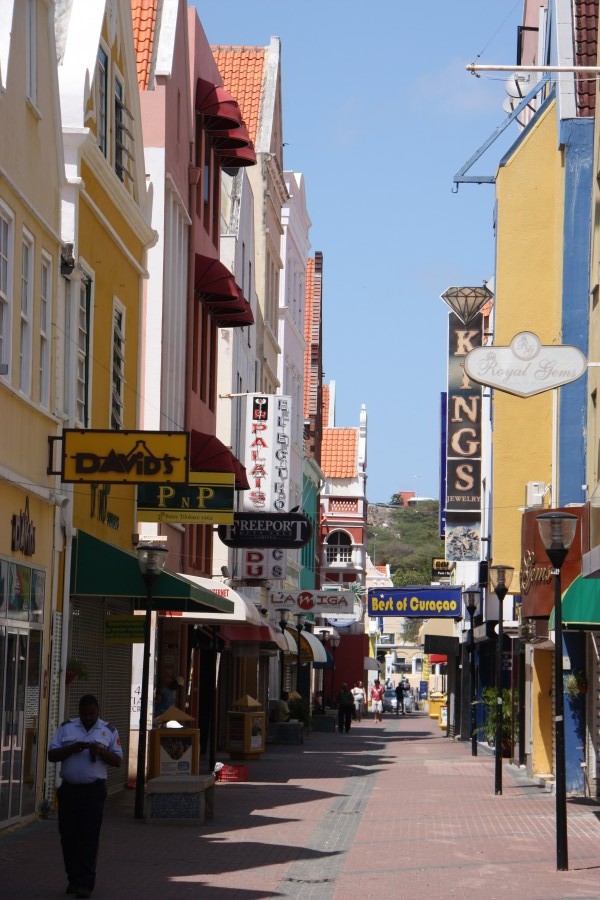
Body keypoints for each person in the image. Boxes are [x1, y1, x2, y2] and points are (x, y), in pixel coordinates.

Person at [48, 694, 122, 899]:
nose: (88, 718)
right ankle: (73, 879)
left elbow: (117, 761)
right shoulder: (67, 728)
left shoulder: (108, 731)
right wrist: (73, 748)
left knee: (88, 838)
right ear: (79, 713)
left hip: (93, 792)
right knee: (68, 836)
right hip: (69, 791)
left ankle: (85, 884)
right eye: (84, 714)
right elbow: (52, 755)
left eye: (91, 714)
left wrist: (101, 751)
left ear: (98, 711)